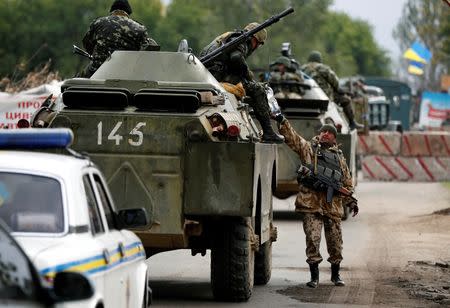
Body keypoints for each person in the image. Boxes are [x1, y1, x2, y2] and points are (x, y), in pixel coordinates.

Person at [273, 113, 359, 288]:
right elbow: (293, 139)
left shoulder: (340, 158)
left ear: (335, 138)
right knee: (313, 239)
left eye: (329, 132)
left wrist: (351, 201)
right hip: (311, 205)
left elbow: (346, 183)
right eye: (323, 131)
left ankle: (335, 275)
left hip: (333, 207)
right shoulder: (308, 149)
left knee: (335, 243)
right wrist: (282, 121)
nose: (325, 134)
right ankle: (314, 276)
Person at [199, 23, 284, 143]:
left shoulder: (230, 37)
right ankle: (268, 132)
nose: (256, 47)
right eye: (258, 44)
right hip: (217, 78)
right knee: (258, 90)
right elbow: (236, 58)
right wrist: (247, 74)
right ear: (255, 40)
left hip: (208, 76)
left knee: (251, 86)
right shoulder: (242, 41)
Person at [80, 0, 158, 77]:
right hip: (127, 74)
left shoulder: (98, 22)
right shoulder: (139, 28)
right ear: (128, 13)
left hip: (96, 71)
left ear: (112, 11)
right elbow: (145, 55)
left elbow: (87, 44)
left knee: (75, 81)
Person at [301, 51, 364, 130]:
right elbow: (335, 83)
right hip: (324, 97)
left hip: (305, 97)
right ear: (319, 59)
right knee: (346, 99)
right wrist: (340, 91)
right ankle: (352, 123)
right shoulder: (323, 68)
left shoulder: (302, 68)